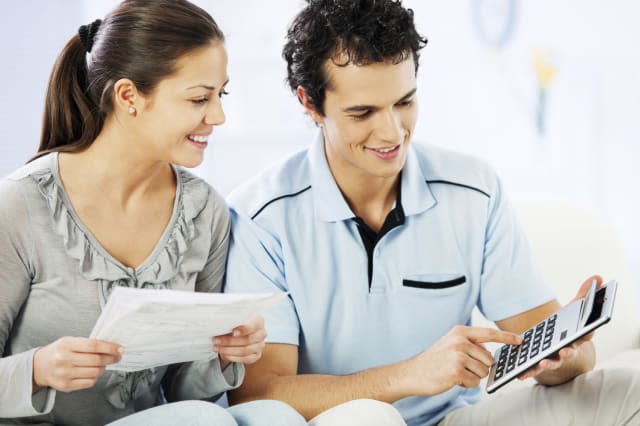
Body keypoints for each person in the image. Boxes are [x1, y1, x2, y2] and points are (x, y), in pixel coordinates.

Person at [223, 0, 640, 425]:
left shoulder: (474, 191)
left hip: (455, 419)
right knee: (370, 417)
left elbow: (564, 356)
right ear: (310, 103)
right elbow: (259, 394)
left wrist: (569, 348)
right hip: (341, 421)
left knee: (631, 387)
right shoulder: (260, 217)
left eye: (404, 102)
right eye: (362, 113)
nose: (391, 133)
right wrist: (410, 375)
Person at [0, 1, 307, 425]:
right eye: (199, 97)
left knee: (274, 415)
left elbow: (182, 386)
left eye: (221, 94)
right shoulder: (20, 205)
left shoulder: (205, 211)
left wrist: (221, 352)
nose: (217, 116)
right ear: (129, 96)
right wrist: (37, 370)